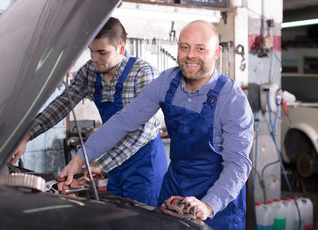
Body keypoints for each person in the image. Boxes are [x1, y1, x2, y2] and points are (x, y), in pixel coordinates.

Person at [59, 20, 254, 230]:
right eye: (184, 47)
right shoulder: (167, 82)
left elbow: (238, 164)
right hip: (175, 189)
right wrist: (82, 157)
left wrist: (208, 205)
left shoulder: (232, 99)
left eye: (200, 49)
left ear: (216, 53)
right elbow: (125, 120)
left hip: (218, 200)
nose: (190, 55)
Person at [10, 17, 167, 206]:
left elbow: (143, 131)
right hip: (115, 165)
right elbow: (61, 105)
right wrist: (26, 135)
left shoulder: (143, 73)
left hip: (144, 164)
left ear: (122, 48)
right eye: (91, 51)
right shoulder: (90, 72)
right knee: (117, 217)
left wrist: (99, 165)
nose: (94, 59)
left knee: (145, 221)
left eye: (102, 52)